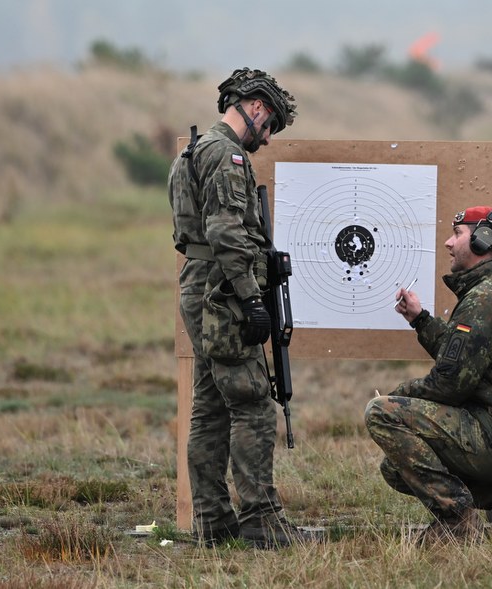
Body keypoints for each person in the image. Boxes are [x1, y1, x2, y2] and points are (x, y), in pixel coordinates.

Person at [168, 67, 313, 549]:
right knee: (251, 402)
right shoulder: (227, 155)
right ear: (254, 107)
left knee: (210, 406)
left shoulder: (192, 149)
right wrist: (252, 299)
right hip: (222, 291)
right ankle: (262, 520)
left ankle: (213, 520)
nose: (267, 138)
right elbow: (227, 231)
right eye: (269, 124)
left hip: (200, 284)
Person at [364, 206, 492, 544]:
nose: (449, 243)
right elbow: (466, 356)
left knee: (381, 414)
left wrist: (398, 395)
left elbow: (450, 385)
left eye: (458, 234)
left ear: (482, 241)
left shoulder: (486, 298)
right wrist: (421, 319)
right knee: (397, 467)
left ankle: (457, 520)